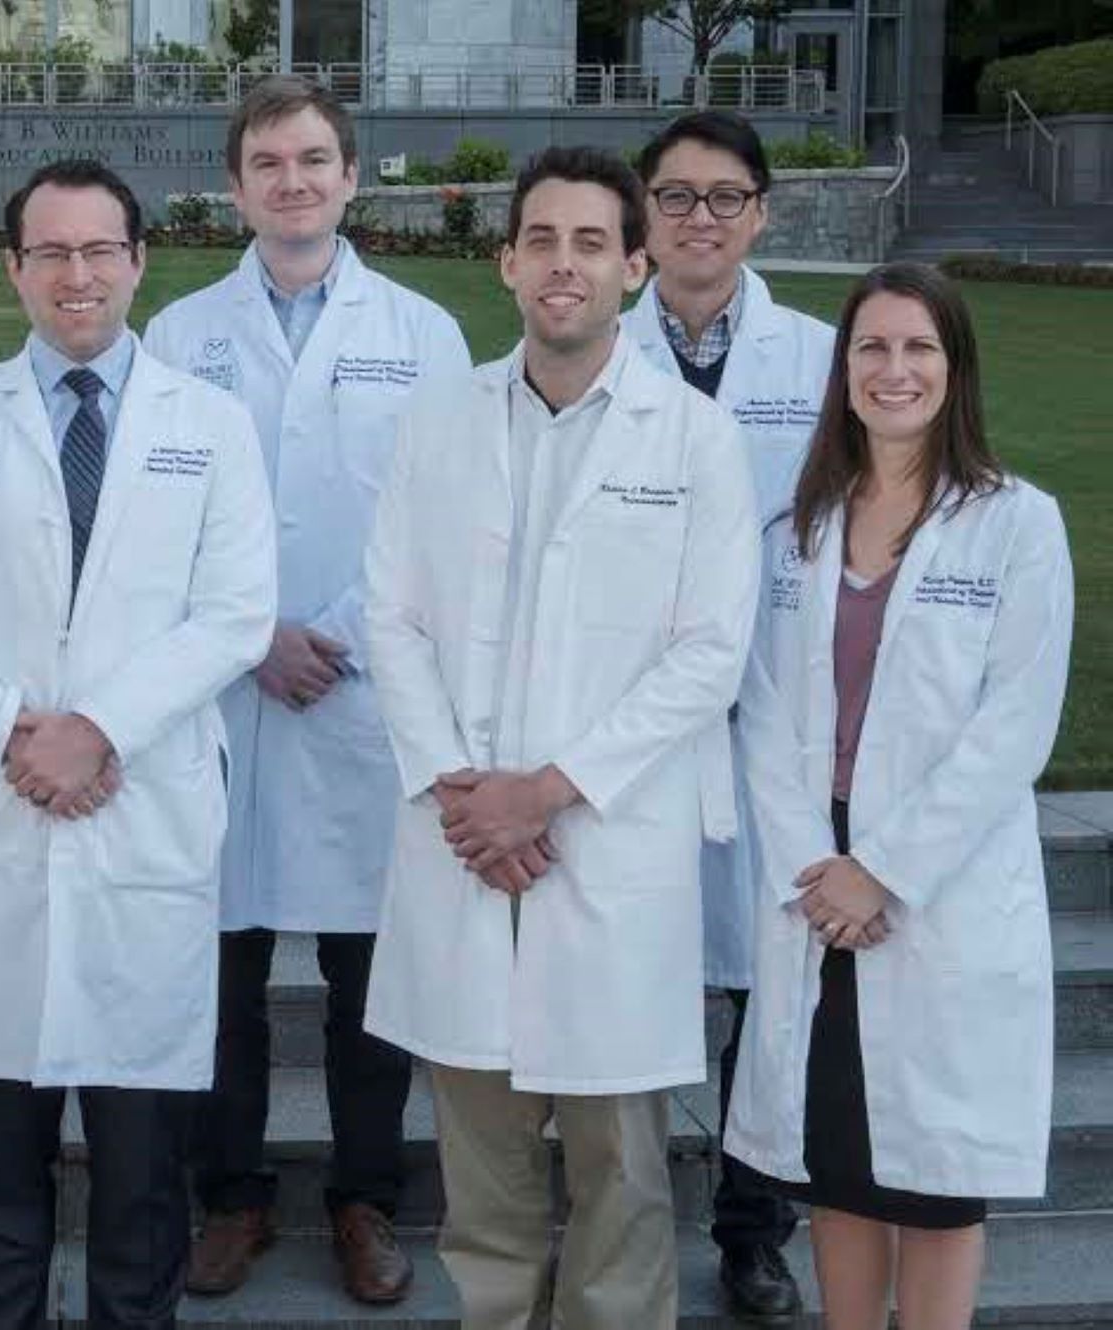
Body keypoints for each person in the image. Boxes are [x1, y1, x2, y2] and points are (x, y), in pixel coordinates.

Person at [0, 158, 278, 1330]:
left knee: (143, 1185)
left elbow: (235, 613)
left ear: (140, 260)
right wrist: (17, 729)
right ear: (10, 270)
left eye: (99, 248)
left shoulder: (210, 428)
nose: (76, 273)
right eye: (48, 251)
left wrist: (99, 728)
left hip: (137, 825)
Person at [361, 146, 759, 1330]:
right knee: (480, 1181)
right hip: (464, 839)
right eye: (540, 239)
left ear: (634, 268)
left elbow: (707, 654)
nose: (563, 264)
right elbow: (391, 613)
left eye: (591, 243)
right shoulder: (437, 421)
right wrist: (461, 791)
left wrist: (546, 789)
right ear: (504, 261)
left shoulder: (693, 443)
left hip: (603, 845)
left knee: (620, 1179)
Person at [141, 75, 471, 1306]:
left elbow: (435, 522)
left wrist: (320, 633)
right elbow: (152, 531)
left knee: (365, 978)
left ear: (349, 177)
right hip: (223, 694)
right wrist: (251, 638)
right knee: (218, 970)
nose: (292, 181)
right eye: (267, 162)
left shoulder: (423, 334)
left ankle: (364, 1200)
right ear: (235, 186)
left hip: (360, 686)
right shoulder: (178, 336)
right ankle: (227, 1197)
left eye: (313, 160)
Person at [727, 262, 1072, 1330]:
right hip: (814, 879)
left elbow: (1011, 725)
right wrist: (817, 871)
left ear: (954, 368)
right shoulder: (794, 527)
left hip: (935, 879)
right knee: (838, 1161)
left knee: (931, 1172)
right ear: (842, 369)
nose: (892, 369)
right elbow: (760, 708)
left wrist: (880, 870)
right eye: (870, 347)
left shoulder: (1015, 524)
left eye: (917, 347)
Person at [623, 108, 837, 1322]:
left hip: (771, 717)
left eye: (722, 197)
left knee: (772, 989)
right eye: (674, 196)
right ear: (643, 216)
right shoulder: (589, 345)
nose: (697, 218)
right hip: (638, 720)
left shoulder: (820, 357)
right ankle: (626, 1216)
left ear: (759, 213)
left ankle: (755, 1228)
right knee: (634, 977)